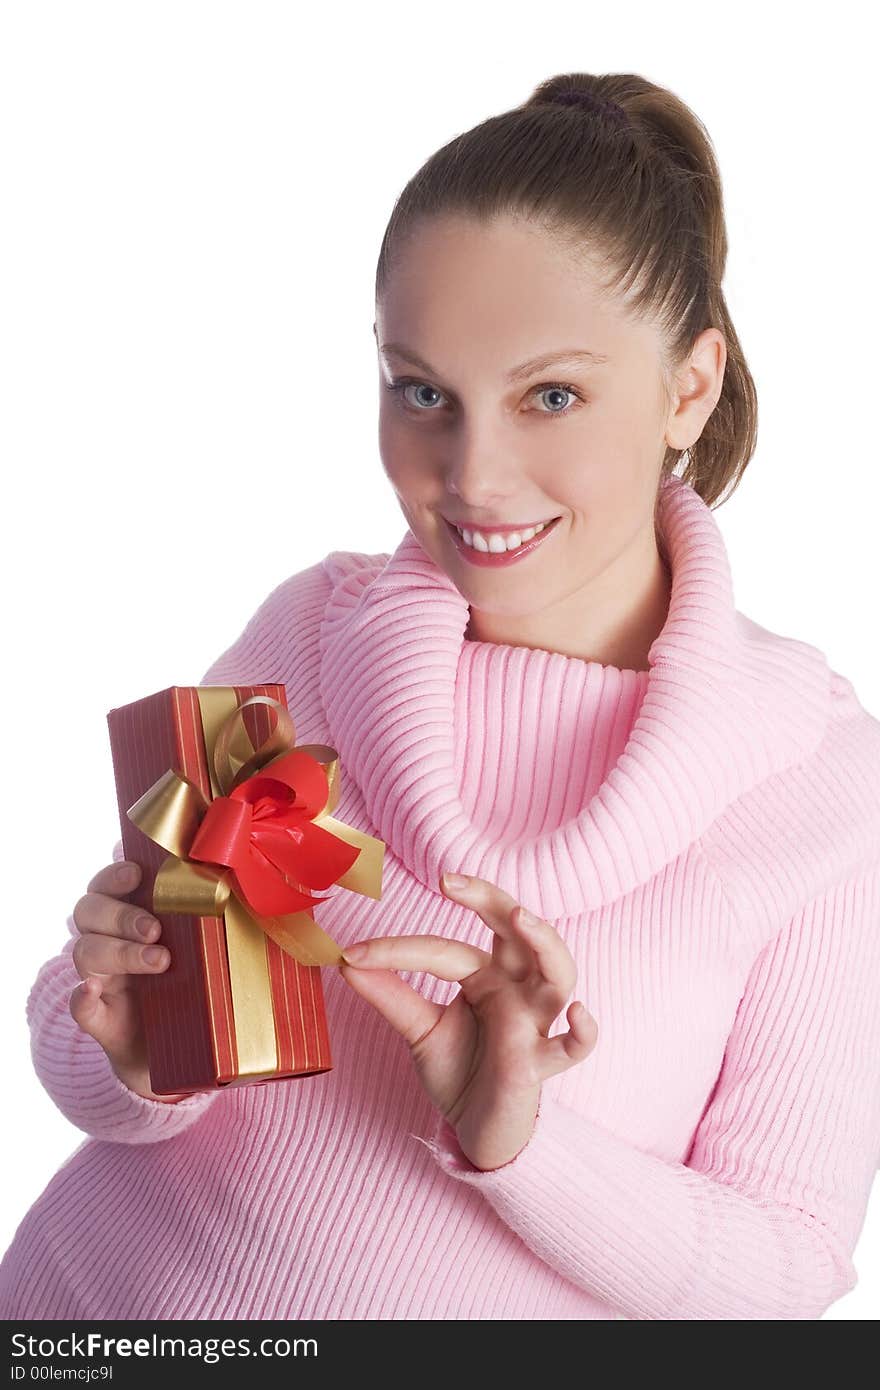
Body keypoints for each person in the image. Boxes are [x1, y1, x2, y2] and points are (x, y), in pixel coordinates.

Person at [1, 70, 878, 1322]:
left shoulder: (816, 777)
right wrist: (127, 1049)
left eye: (551, 396)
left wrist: (520, 1139)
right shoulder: (309, 630)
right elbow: (97, 1066)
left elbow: (784, 1272)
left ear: (689, 385)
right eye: (422, 391)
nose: (470, 477)